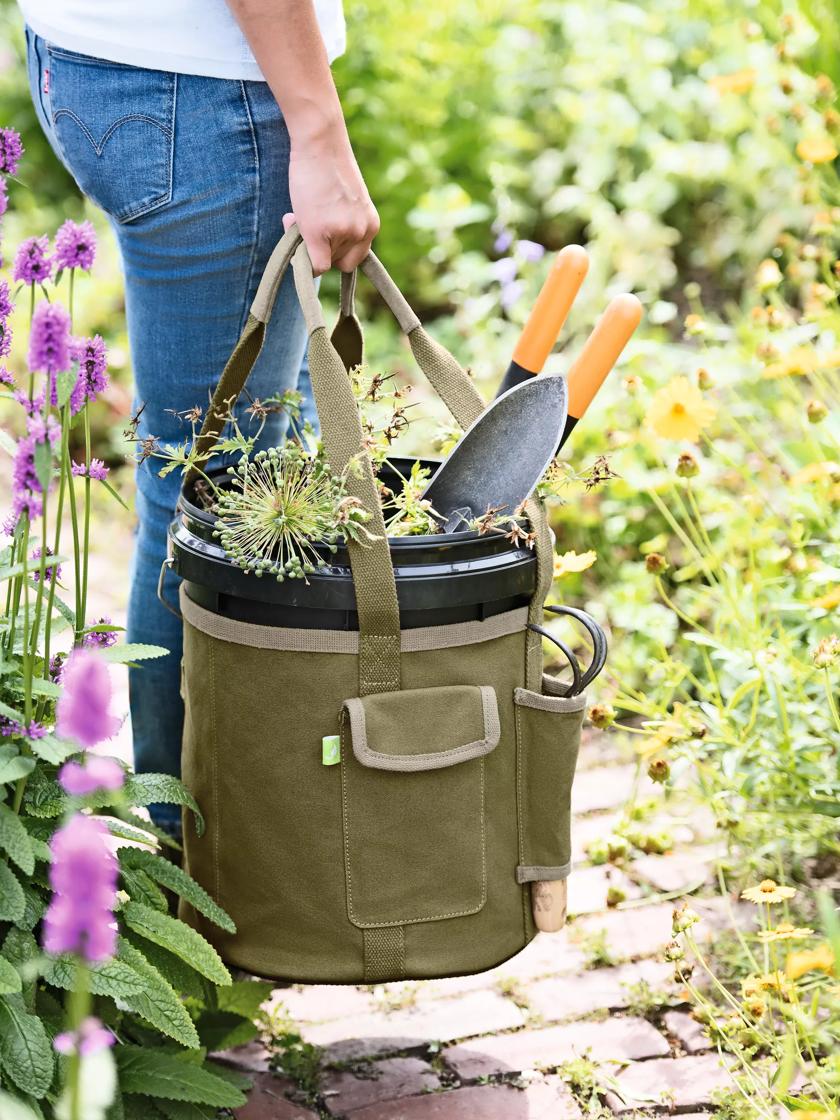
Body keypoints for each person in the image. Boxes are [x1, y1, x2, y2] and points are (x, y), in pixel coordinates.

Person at [19, 0, 378, 834]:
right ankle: (203, 873)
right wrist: (319, 132)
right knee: (210, 494)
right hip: (206, 97)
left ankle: (214, 852)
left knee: (214, 476)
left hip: (92, 58)